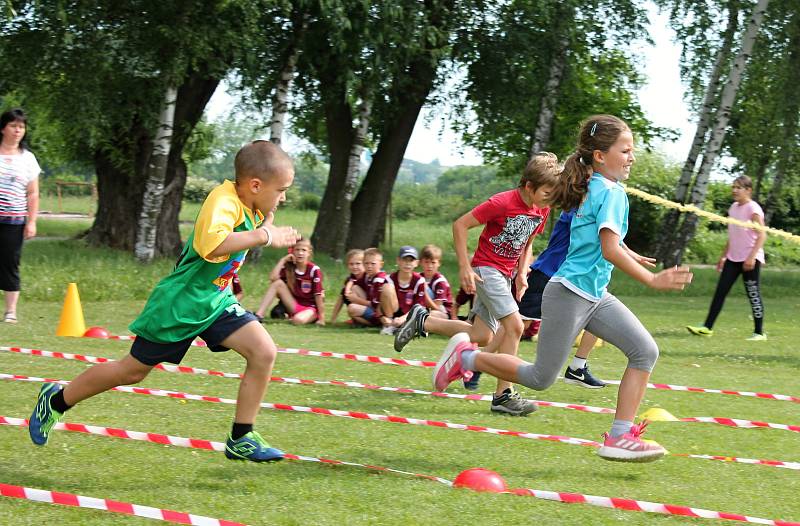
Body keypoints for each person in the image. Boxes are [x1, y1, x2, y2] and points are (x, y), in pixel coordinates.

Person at [429, 115, 693, 462]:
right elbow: (608, 247)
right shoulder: (608, 192)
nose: (632, 157)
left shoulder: (597, 187)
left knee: (645, 351)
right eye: (625, 150)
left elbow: (597, 239)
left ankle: (619, 437)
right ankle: (465, 357)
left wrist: (629, 252)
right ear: (600, 156)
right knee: (540, 377)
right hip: (570, 293)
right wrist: (652, 280)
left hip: (594, 295)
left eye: (632, 151)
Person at [28, 140, 301, 462]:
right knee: (130, 372)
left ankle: (241, 438)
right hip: (180, 304)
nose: (283, 197)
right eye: (281, 190)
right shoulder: (223, 201)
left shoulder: (252, 203)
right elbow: (212, 246)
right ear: (255, 185)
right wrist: (265, 235)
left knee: (264, 351)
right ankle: (57, 400)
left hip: (215, 300)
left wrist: (265, 224)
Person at [395, 152, 559, 415]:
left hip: (506, 275)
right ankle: (503, 395)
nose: (551, 199)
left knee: (482, 335)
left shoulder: (542, 207)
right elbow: (460, 225)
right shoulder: (503, 202)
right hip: (486, 269)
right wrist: (464, 267)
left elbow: (527, 242)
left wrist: (521, 273)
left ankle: (423, 321)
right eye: (547, 192)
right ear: (529, 186)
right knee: (515, 326)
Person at [517, 209, 645, 389]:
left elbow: (608, 233)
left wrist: (631, 254)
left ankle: (578, 367)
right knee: (516, 328)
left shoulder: (594, 205)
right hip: (549, 275)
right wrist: (649, 277)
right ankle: (478, 358)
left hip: (578, 282)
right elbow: (605, 236)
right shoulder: (578, 209)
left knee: (597, 311)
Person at [687, 175, 767, 340]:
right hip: (733, 258)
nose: (734, 190)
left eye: (738, 187)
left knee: (753, 294)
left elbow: (762, 236)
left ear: (748, 190)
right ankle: (707, 327)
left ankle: (759, 332)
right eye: (733, 187)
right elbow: (732, 235)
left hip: (750, 259)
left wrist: (751, 258)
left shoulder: (753, 209)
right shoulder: (733, 208)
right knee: (720, 292)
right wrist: (723, 257)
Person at [0, 108, 40, 324]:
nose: (17, 130)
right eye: (13, 126)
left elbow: (33, 193)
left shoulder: (28, 159)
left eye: (21, 127)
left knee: (9, 262)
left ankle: (10, 311)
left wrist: (31, 221)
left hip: (14, 220)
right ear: (3, 128)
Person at [254, 239, 325, 326]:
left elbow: (318, 295)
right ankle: (259, 315)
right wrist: (283, 260)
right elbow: (273, 278)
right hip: (294, 305)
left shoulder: (314, 270)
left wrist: (322, 318)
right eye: (297, 250)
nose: (300, 253)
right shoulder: (290, 268)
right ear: (292, 251)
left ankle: (311, 317)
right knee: (277, 283)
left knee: (297, 320)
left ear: (309, 252)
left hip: (310, 308)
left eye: (303, 250)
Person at [347, 247, 398, 333]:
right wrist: (348, 289)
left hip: (380, 311)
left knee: (352, 308)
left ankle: (378, 323)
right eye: (366, 263)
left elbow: (375, 304)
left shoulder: (380, 279)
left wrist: (356, 300)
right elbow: (354, 281)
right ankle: (374, 323)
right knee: (355, 288)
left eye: (373, 264)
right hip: (373, 307)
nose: (369, 266)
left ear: (381, 265)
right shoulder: (368, 276)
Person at [385, 246, 428, 331]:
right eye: (404, 260)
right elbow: (381, 302)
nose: (407, 263)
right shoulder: (389, 278)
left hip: (410, 314)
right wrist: (383, 317)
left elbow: (419, 306)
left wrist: (403, 318)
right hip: (393, 311)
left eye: (411, 260)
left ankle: (403, 326)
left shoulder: (419, 280)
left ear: (416, 263)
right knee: (387, 288)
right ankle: (389, 326)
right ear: (398, 261)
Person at [329, 248, 367, 324]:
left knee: (354, 288)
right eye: (351, 264)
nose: (354, 267)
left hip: (369, 307)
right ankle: (356, 320)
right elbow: (341, 298)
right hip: (356, 308)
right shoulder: (350, 279)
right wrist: (333, 318)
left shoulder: (368, 278)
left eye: (358, 263)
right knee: (345, 293)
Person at [420, 244, 454, 319]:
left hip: (442, 312)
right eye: (426, 262)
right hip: (425, 308)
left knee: (422, 285)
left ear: (439, 263)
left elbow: (437, 306)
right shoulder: (419, 277)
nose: (430, 266)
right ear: (421, 262)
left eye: (433, 262)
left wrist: (424, 293)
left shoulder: (440, 282)